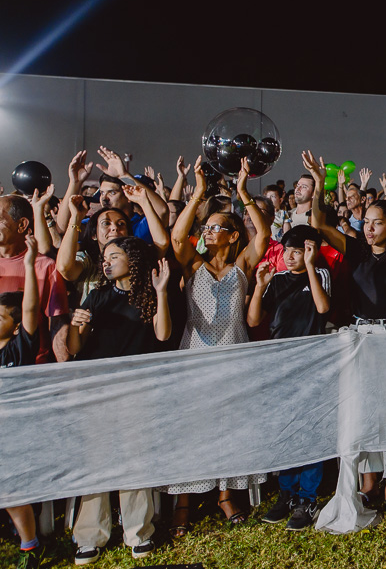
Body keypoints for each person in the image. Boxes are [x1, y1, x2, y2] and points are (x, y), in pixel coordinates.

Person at [304, 153, 386, 522]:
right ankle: (368, 481)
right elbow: (318, 223)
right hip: (360, 336)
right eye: (367, 222)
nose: (370, 228)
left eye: (378, 222)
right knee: (363, 409)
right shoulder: (356, 249)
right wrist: (319, 183)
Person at [166, 156, 270, 536]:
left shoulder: (242, 265)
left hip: (234, 351)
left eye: (216, 228)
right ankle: (183, 500)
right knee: (191, 425)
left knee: (230, 422)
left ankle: (226, 494)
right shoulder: (194, 265)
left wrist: (243, 192)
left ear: (233, 236)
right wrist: (198, 194)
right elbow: (177, 239)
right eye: (206, 228)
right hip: (195, 351)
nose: (208, 233)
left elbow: (263, 236)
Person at [66, 239, 171, 565]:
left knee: (135, 460)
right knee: (96, 461)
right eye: (105, 257)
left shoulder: (150, 295)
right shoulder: (97, 296)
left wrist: (162, 291)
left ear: (133, 260)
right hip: (99, 391)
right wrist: (76, 325)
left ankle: (138, 532)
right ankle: (89, 537)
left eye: (114, 256)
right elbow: (75, 348)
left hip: (138, 390)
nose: (107, 262)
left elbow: (163, 335)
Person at [248, 226, 331, 530]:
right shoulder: (277, 280)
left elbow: (323, 307)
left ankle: (308, 497)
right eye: (287, 251)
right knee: (285, 427)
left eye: (298, 251)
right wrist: (260, 286)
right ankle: (287, 493)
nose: (291, 257)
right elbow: (253, 319)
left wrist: (309, 265)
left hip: (310, 361)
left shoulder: (319, 274)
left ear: (310, 251)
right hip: (280, 361)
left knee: (309, 427)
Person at [0, 239, 46, 569]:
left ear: (15, 326)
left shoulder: (19, 348)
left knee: (11, 491)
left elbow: (30, 309)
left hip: (14, 435)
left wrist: (29, 265)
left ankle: (30, 547)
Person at [0, 195, 70, 363]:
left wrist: (63, 368)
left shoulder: (44, 266)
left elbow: (57, 322)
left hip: (28, 364)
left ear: (22, 225)